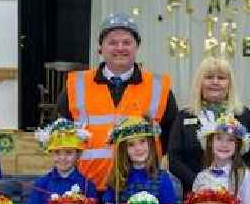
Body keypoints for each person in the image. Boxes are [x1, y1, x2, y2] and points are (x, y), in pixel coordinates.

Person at [59, 12, 178, 192]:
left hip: (141, 187)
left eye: (126, 42)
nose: (120, 48)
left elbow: (170, 136)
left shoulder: (158, 87)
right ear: (101, 47)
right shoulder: (77, 85)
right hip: (86, 187)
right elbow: (61, 132)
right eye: (112, 42)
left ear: (136, 46)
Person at [168, 57, 250, 194]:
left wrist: (238, 180)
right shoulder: (185, 116)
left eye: (222, 78)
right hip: (196, 194)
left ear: (230, 84)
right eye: (209, 77)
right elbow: (174, 159)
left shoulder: (244, 115)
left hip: (237, 192)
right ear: (199, 83)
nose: (215, 82)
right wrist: (199, 183)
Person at [101, 116, 175, 204]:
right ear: (124, 149)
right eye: (131, 144)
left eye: (142, 142)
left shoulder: (162, 179)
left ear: (151, 144)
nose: (138, 148)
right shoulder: (118, 179)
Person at [28, 118, 97, 204]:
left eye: (68, 153)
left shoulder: (87, 185)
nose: (62, 158)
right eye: (57, 152)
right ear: (50, 153)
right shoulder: (41, 184)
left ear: (78, 154)